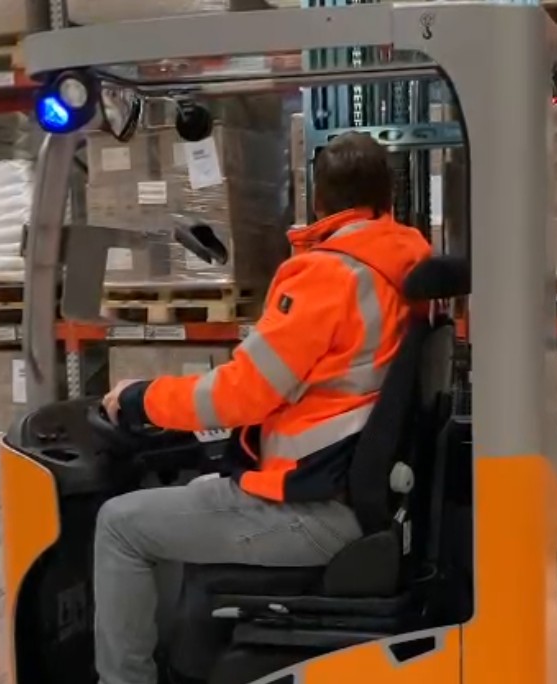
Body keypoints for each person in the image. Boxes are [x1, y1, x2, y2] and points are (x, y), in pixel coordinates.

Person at [94, 131, 432, 684]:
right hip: (346, 493)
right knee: (188, 497)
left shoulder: (329, 274)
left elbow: (238, 395)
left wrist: (139, 399)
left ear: (317, 201)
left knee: (119, 525)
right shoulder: (404, 265)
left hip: (311, 507)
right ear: (387, 198)